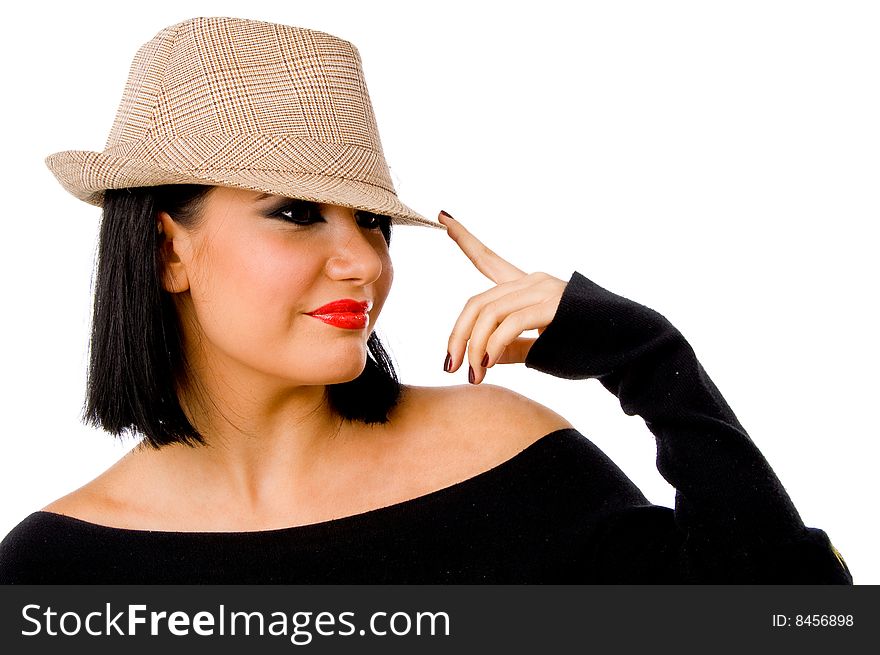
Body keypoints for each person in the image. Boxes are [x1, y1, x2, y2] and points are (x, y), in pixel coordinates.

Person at [0, 16, 851, 584]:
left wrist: (646, 356)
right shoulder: (53, 572)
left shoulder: (506, 461)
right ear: (165, 251)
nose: (361, 262)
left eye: (372, 222)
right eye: (295, 212)